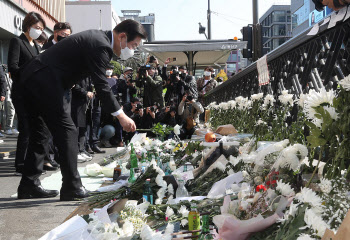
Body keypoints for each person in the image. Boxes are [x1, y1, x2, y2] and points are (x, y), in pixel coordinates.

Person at [16, 19, 146, 200]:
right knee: (68, 132)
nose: (132, 50)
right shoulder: (101, 45)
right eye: (133, 45)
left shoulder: (98, 39)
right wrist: (121, 116)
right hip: (44, 82)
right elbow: (102, 85)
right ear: (122, 36)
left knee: (41, 133)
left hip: (35, 80)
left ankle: (28, 184)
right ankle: (72, 187)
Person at [8, 12, 46, 175]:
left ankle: (32, 162)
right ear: (28, 26)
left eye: (41, 28)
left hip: (35, 94)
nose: (39, 31)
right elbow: (13, 67)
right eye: (36, 27)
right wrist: (32, 66)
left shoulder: (37, 45)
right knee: (25, 128)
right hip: (21, 92)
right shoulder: (17, 41)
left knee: (35, 129)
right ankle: (21, 163)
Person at [71, 77, 94, 162]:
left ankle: (82, 149)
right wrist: (85, 92)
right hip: (77, 103)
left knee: (83, 127)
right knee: (77, 127)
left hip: (86, 103)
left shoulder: (88, 75)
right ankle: (76, 152)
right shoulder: (77, 72)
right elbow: (74, 86)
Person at [1, 65, 18, 136]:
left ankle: (13, 127)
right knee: (10, 112)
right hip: (8, 96)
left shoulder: (13, 77)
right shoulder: (6, 76)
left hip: (13, 96)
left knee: (14, 112)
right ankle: (8, 128)